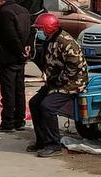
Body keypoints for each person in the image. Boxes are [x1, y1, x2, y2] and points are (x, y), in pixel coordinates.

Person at [27, 13, 87, 157]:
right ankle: (42, 141)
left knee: (47, 106)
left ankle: (53, 144)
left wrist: (57, 81)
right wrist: (32, 55)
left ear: (48, 28)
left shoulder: (66, 42)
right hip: (55, 82)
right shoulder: (50, 39)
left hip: (72, 83)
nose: (39, 32)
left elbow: (75, 67)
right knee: (34, 103)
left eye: (40, 29)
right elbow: (47, 61)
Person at [0, 0, 31, 132]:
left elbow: (10, 37)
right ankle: (19, 120)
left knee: (8, 91)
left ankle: (8, 122)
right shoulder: (23, 10)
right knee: (19, 90)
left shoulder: (4, 12)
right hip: (21, 56)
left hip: (9, 57)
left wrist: (19, 50)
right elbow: (29, 31)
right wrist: (26, 48)